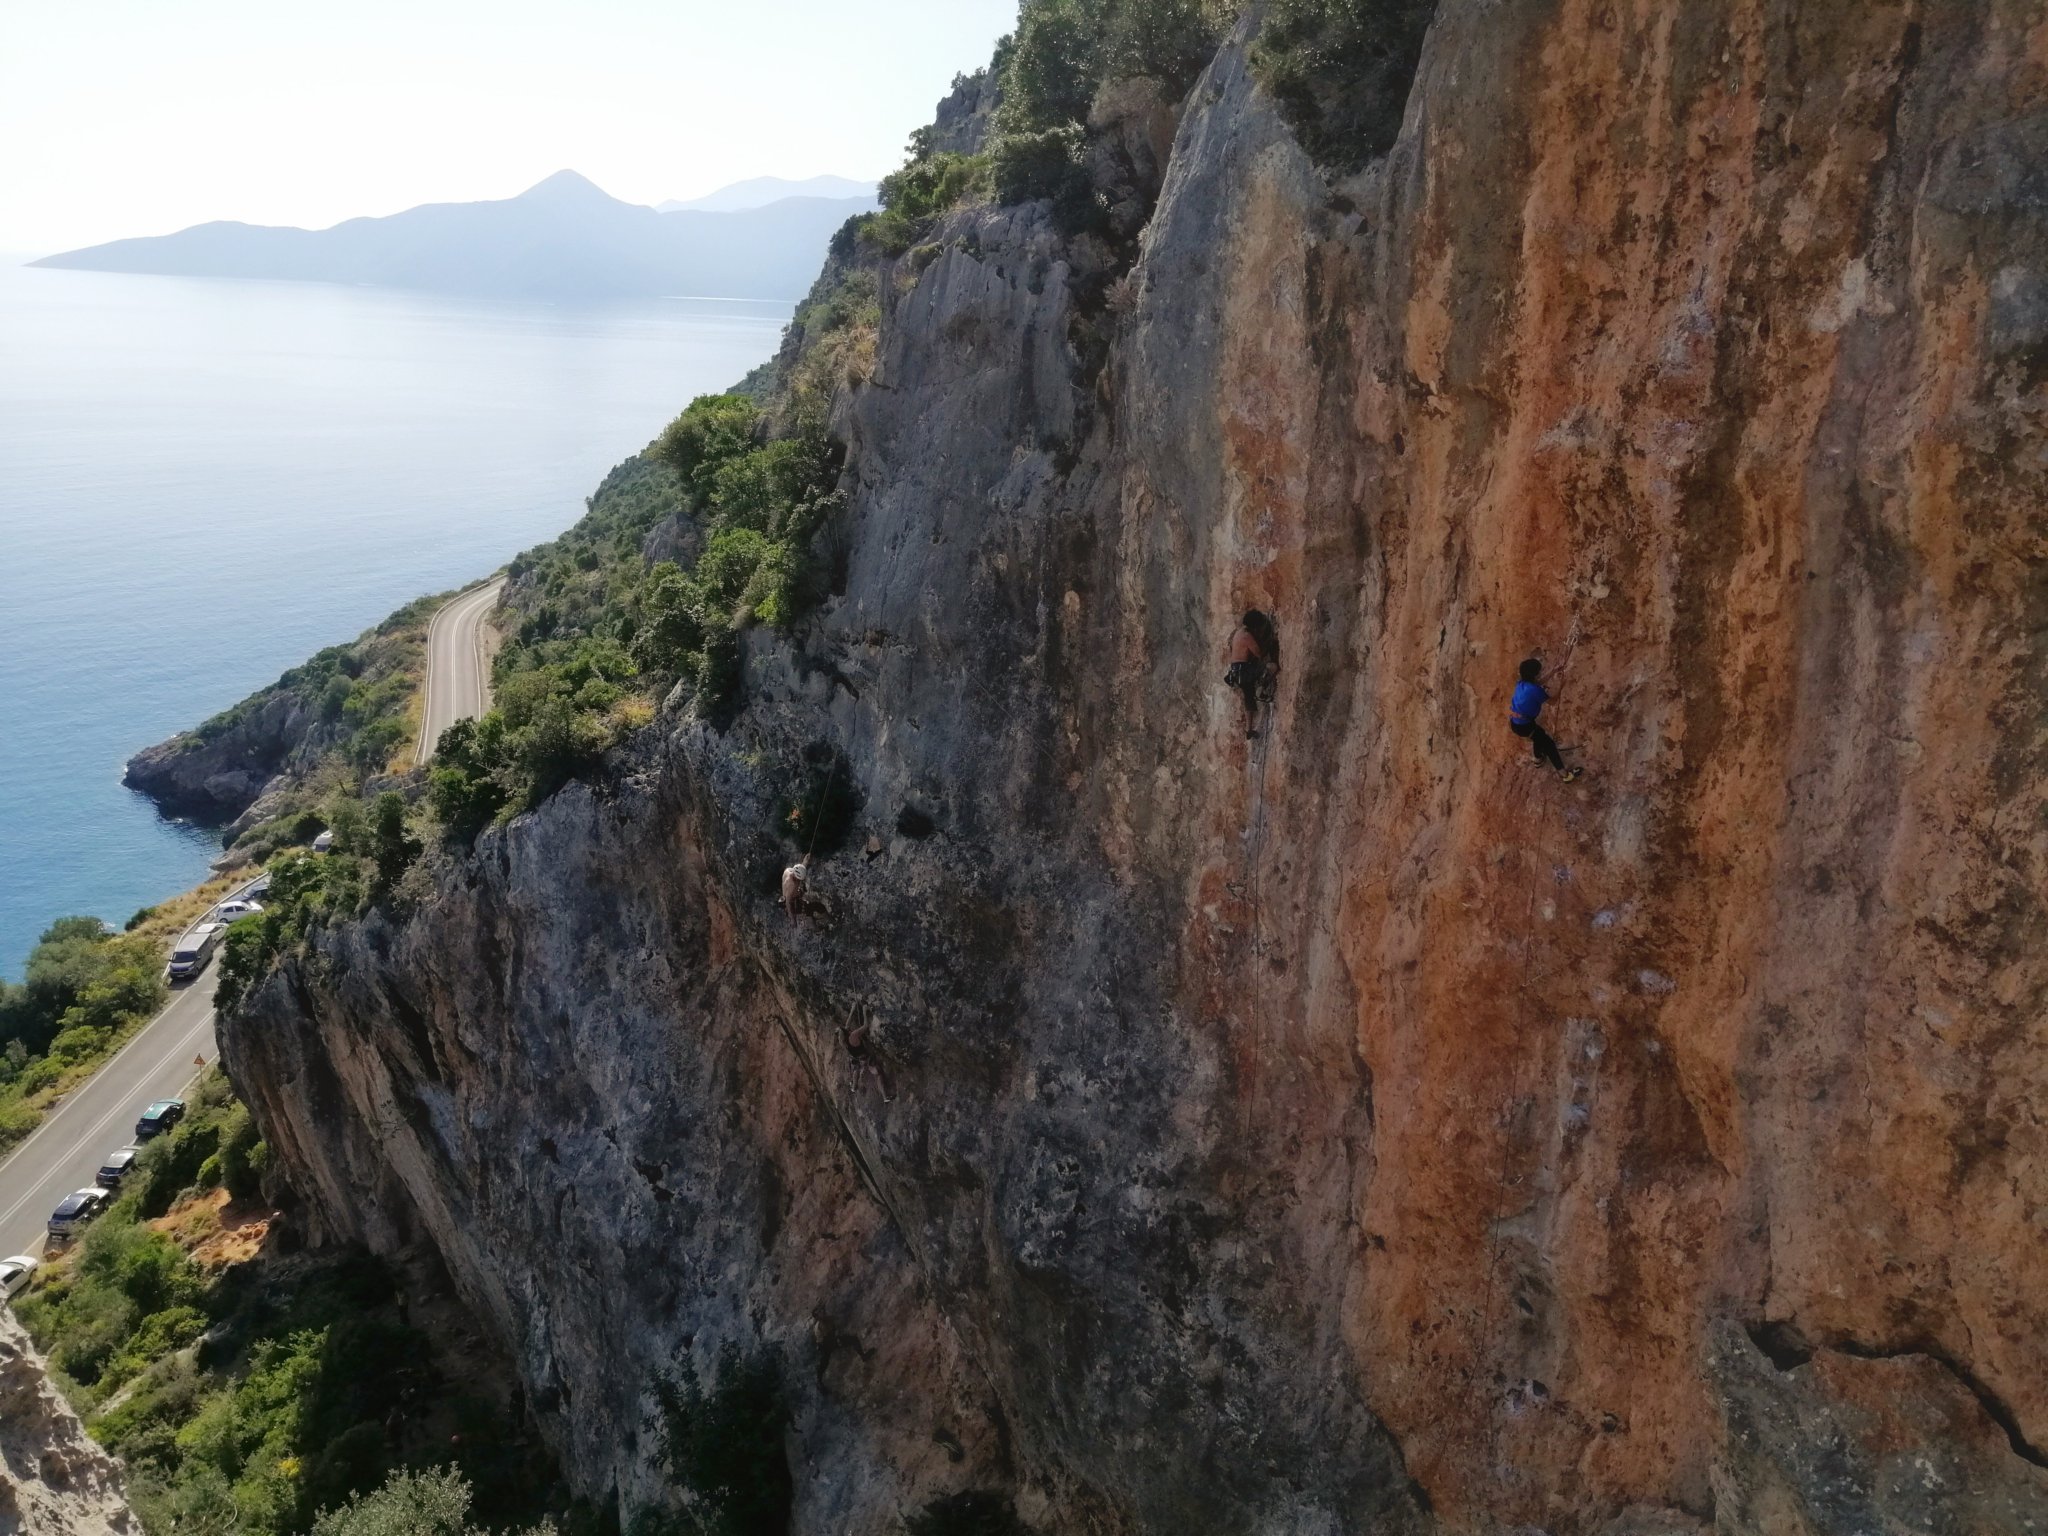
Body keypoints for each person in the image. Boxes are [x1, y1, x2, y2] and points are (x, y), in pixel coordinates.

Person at [1509, 658, 1580, 781]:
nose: (1541, 673)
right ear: (1535, 674)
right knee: (1549, 744)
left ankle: (1538, 759)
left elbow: (1538, 683)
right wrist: (1561, 687)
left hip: (1517, 723)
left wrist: (1553, 671)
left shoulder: (1521, 683)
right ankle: (1565, 776)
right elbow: (1552, 702)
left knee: (1538, 735)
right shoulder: (1535, 690)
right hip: (1525, 725)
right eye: (1540, 672)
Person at [1224, 613, 1273, 738]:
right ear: (1255, 627)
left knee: (1248, 697)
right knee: (1271, 667)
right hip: (1244, 671)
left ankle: (1249, 730)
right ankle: (1262, 691)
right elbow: (1259, 653)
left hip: (1236, 671)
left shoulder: (1239, 632)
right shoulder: (1247, 636)